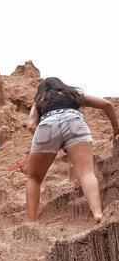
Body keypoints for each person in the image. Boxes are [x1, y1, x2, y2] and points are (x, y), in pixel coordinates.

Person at [26, 77, 119, 223]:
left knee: (34, 178)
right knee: (86, 173)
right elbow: (106, 104)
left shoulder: (39, 101)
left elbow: (31, 125)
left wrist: (49, 142)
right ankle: (97, 213)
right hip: (74, 121)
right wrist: (115, 128)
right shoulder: (73, 95)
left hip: (47, 125)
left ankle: (30, 222)